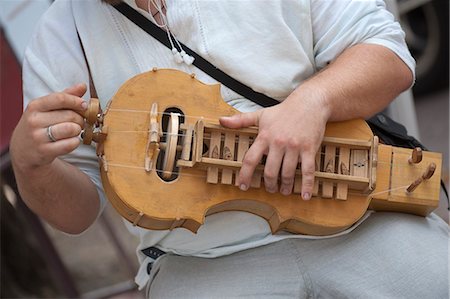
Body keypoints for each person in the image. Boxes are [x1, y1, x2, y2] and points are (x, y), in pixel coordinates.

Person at [10, 0, 448, 297]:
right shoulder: (58, 36)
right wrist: (32, 165)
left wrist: (313, 102)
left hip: (359, 224)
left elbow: (388, 53)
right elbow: (77, 214)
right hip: (199, 261)